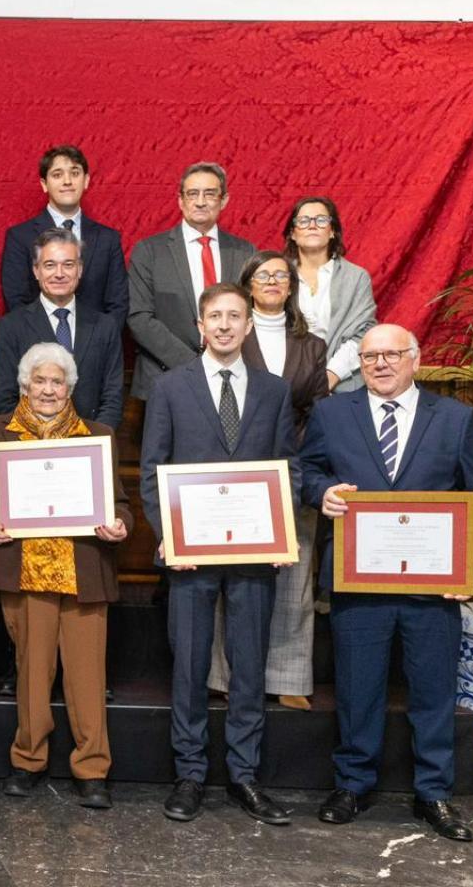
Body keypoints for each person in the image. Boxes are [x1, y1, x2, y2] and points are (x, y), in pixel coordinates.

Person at [301, 323, 473, 843]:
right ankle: (352, 785)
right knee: (357, 689)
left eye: (391, 355)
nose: (380, 364)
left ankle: (434, 792)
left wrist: (471, 561)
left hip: (431, 589)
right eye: (369, 357)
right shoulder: (331, 413)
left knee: (433, 692)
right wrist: (323, 492)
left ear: (414, 358)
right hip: (357, 581)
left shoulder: (453, 418)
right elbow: (305, 471)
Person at [140, 282, 297, 826]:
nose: (226, 325)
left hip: (255, 555)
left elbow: (287, 468)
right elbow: (152, 471)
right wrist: (167, 535)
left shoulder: (275, 391)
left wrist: (283, 531)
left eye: (235, 316)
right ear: (199, 327)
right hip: (190, 556)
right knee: (189, 665)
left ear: (249, 326)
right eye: (216, 317)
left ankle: (245, 777)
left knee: (249, 666)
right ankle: (189, 774)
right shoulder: (169, 388)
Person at [0, 343, 131, 810]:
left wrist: (119, 524)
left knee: (87, 676)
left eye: (57, 382)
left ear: (70, 388)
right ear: (25, 385)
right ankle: (28, 760)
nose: (48, 390)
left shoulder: (98, 435)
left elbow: (120, 502)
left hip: (83, 567)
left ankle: (92, 769)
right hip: (23, 570)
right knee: (31, 673)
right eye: (40, 381)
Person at [206, 251, 330, 711]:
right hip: (235, 472)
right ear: (248, 284)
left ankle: (289, 676)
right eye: (263, 275)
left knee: (294, 575)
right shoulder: (231, 330)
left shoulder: (311, 345)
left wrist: (301, 466)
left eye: (282, 274)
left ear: (292, 284)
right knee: (227, 575)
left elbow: (320, 411)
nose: (274, 281)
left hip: (291, 467)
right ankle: (222, 675)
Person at [127, 162, 256, 400]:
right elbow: (139, 318)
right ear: (180, 200)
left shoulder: (245, 252)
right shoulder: (149, 251)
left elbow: (252, 315)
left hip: (231, 380)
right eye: (192, 194)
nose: (200, 202)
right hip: (165, 380)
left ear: (224, 200)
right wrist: (196, 366)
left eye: (210, 194)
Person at [0, 228, 124, 429]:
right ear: (36, 270)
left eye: (68, 265)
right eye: (50, 265)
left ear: (80, 269)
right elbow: (2, 399)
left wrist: (93, 441)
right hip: (30, 447)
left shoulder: (105, 327)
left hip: (91, 446)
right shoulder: (11, 326)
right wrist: (43, 441)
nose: (59, 274)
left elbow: (113, 397)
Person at [0, 146, 128, 325]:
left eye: (75, 173)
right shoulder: (20, 237)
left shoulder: (108, 239)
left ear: (86, 180)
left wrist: (99, 343)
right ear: (44, 184)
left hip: (97, 346)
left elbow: (118, 304)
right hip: (39, 346)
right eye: (57, 175)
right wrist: (49, 351)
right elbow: (16, 301)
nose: (67, 181)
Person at [284, 196, 377, 394]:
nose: (312, 226)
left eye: (321, 220)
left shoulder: (356, 277)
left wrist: (331, 375)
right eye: (303, 221)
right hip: (285, 383)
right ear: (293, 233)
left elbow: (363, 334)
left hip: (342, 384)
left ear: (332, 231)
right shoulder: (278, 275)